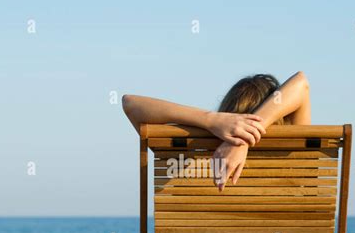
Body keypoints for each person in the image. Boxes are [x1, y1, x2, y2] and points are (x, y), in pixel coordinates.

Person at [122, 71, 310, 191]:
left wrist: (211, 120)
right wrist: (248, 135)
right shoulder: (296, 162)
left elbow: (130, 104)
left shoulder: (194, 162)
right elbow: (301, 84)